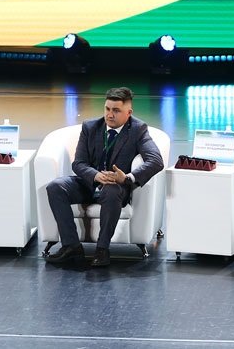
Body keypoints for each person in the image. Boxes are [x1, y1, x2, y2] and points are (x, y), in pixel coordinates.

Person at [45, 87, 164, 267]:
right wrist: (96, 175)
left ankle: (102, 250)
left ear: (128, 113)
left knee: (110, 191)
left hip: (116, 188)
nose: (110, 114)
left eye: (116, 110)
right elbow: (79, 163)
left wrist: (127, 178)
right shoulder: (90, 127)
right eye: (107, 109)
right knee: (55, 187)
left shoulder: (138, 130)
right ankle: (71, 246)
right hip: (89, 183)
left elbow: (156, 160)